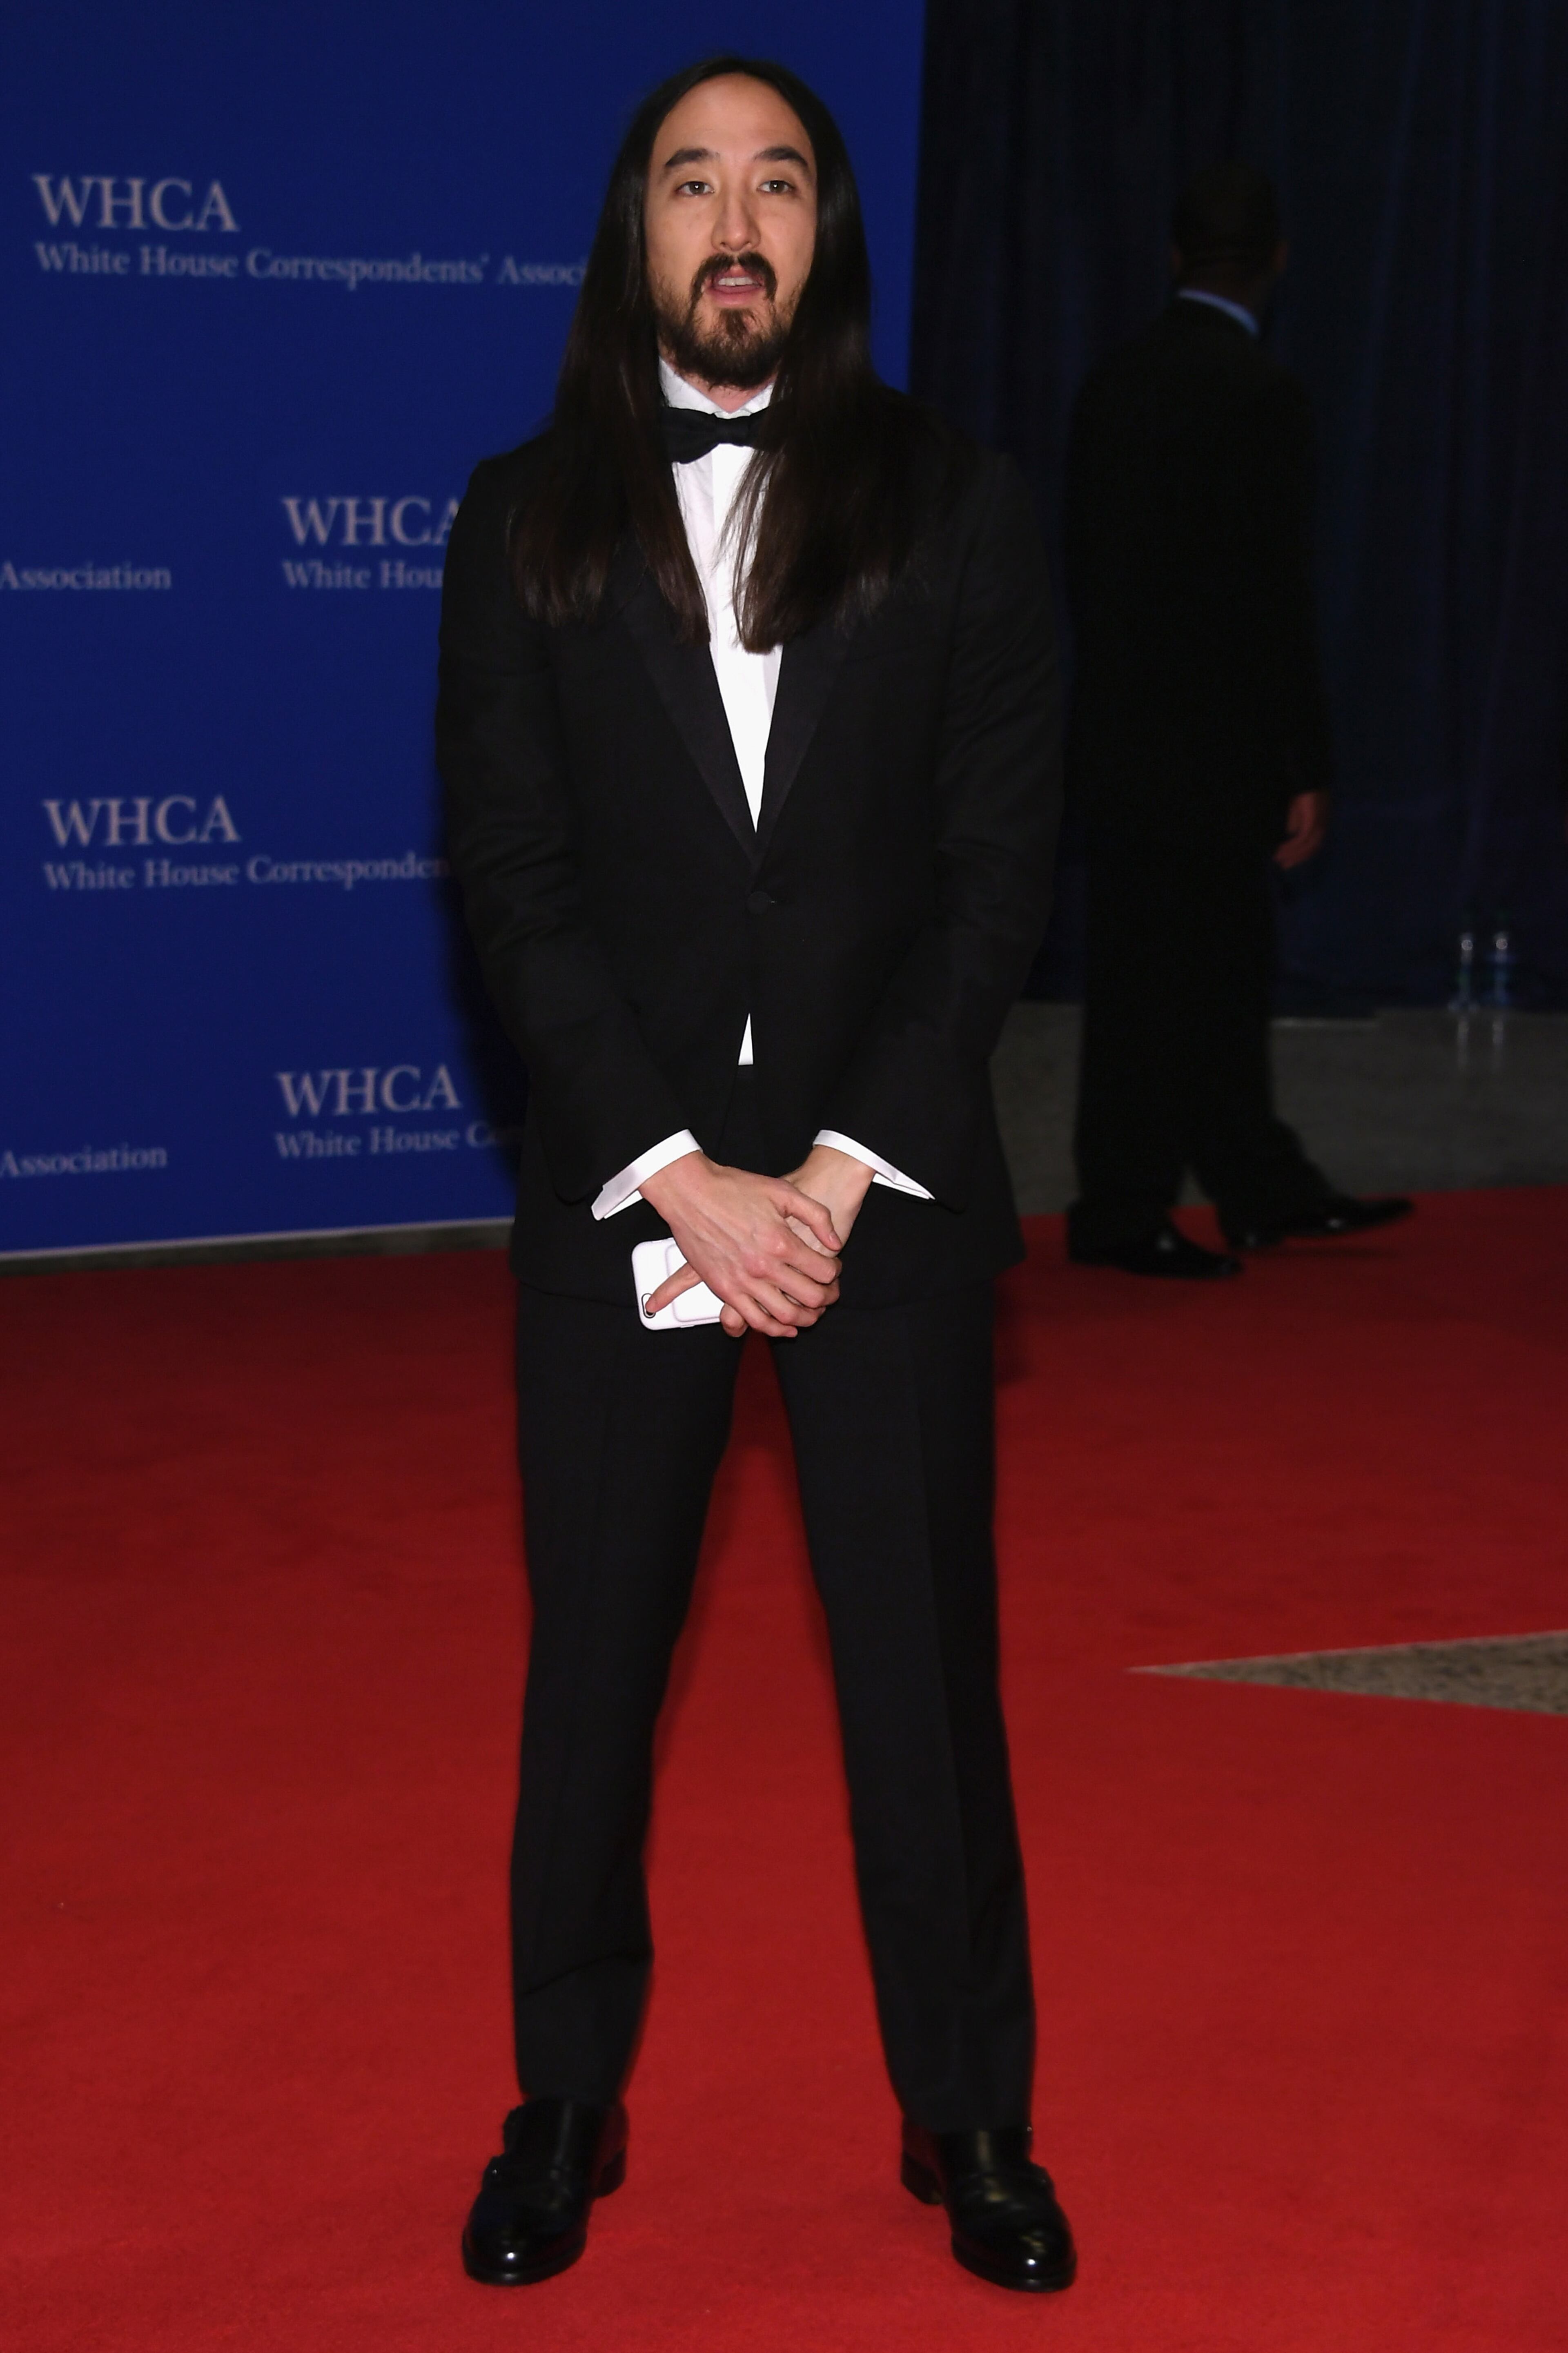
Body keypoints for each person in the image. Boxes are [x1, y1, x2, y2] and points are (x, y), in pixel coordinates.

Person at [437, 56, 1076, 2295]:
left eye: (775, 182)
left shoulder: (960, 505)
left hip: (874, 1200)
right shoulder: (524, 514)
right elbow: (513, 883)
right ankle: (561, 2104)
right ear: (639, 236)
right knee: (593, 1682)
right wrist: (673, 1169)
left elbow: (997, 876)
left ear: (827, 235)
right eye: (691, 182)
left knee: (925, 1687)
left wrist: (828, 1165)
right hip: (630, 1210)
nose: (735, 221)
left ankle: (971, 2115)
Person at [1063, 162, 1411, 1278]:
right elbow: (1274, 596)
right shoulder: (1263, 395)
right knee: (1200, 981)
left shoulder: (1111, 385)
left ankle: (1254, 1182)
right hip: (1217, 748)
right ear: (1276, 260)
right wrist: (1303, 760)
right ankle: (1126, 1211)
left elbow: (1083, 569)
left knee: (1160, 977)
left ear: (1175, 257)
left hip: (1120, 739)